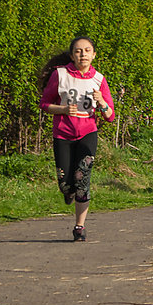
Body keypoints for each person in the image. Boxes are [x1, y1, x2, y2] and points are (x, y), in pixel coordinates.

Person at [39, 36, 116, 242]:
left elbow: (110, 116)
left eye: (87, 50)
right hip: (63, 134)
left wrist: (102, 103)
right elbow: (45, 104)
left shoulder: (99, 79)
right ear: (72, 55)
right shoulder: (60, 75)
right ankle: (68, 190)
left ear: (94, 55)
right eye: (79, 51)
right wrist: (63, 109)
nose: (83, 54)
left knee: (83, 179)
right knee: (65, 184)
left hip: (87, 134)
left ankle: (79, 227)